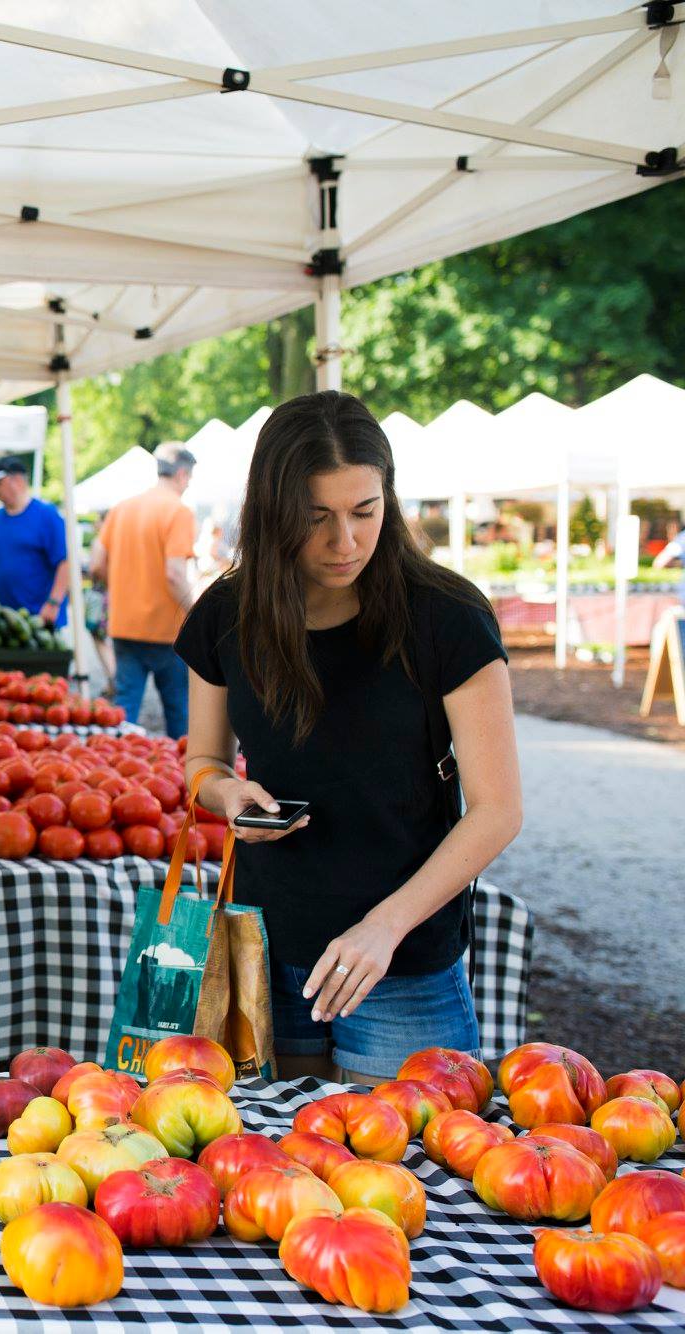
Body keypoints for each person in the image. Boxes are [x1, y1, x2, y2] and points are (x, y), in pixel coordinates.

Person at [175, 391, 522, 1082]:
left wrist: (384, 929)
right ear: (273, 515)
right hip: (267, 946)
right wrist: (229, 794)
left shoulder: (447, 616)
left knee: (406, 1178)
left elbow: (498, 809)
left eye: (365, 511)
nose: (346, 542)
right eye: (316, 519)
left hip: (403, 959)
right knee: (281, 1176)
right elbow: (203, 761)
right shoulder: (226, 613)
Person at [91, 443, 197, 738]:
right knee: (180, 716)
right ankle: (183, 781)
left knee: (124, 713)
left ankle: (115, 774)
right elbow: (175, 574)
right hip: (168, 631)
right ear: (182, 475)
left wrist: (125, 586)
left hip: (124, 624)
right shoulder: (179, 512)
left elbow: (97, 562)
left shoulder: (123, 508)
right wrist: (198, 616)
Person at [0, 453, 70, 625]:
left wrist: (53, 603)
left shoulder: (47, 516)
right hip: (1, 619)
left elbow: (65, 563)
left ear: (18, 481)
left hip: (38, 618)